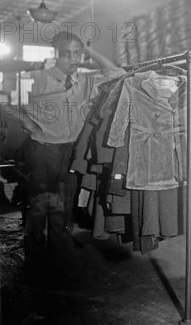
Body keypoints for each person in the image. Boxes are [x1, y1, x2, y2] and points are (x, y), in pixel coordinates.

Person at [18, 31, 123, 289]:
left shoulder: (86, 81)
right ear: (55, 54)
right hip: (41, 152)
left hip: (70, 153)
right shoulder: (32, 78)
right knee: (38, 209)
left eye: (77, 53)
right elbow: (2, 98)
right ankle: (32, 268)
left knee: (62, 211)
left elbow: (118, 73)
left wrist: (89, 50)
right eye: (68, 54)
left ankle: (61, 267)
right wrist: (26, 121)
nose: (73, 59)